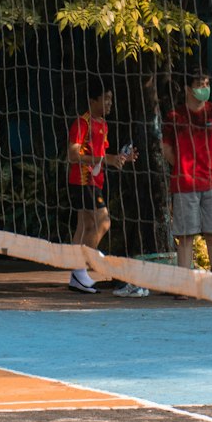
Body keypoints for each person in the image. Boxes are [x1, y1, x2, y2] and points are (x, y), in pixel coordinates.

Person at [66, 78, 142, 296]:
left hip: (94, 181)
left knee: (84, 226)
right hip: (82, 180)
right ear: (93, 100)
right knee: (103, 222)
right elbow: (73, 154)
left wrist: (120, 158)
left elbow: (102, 156)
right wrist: (108, 159)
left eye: (111, 99)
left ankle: (77, 275)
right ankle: (82, 268)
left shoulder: (104, 125)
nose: (110, 104)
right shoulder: (83, 123)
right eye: (106, 99)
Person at [162, 70, 212, 271]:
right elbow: (166, 148)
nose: (205, 89)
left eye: (207, 84)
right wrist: (183, 166)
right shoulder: (174, 116)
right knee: (185, 237)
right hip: (184, 184)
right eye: (200, 85)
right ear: (187, 88)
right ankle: (184, 286)